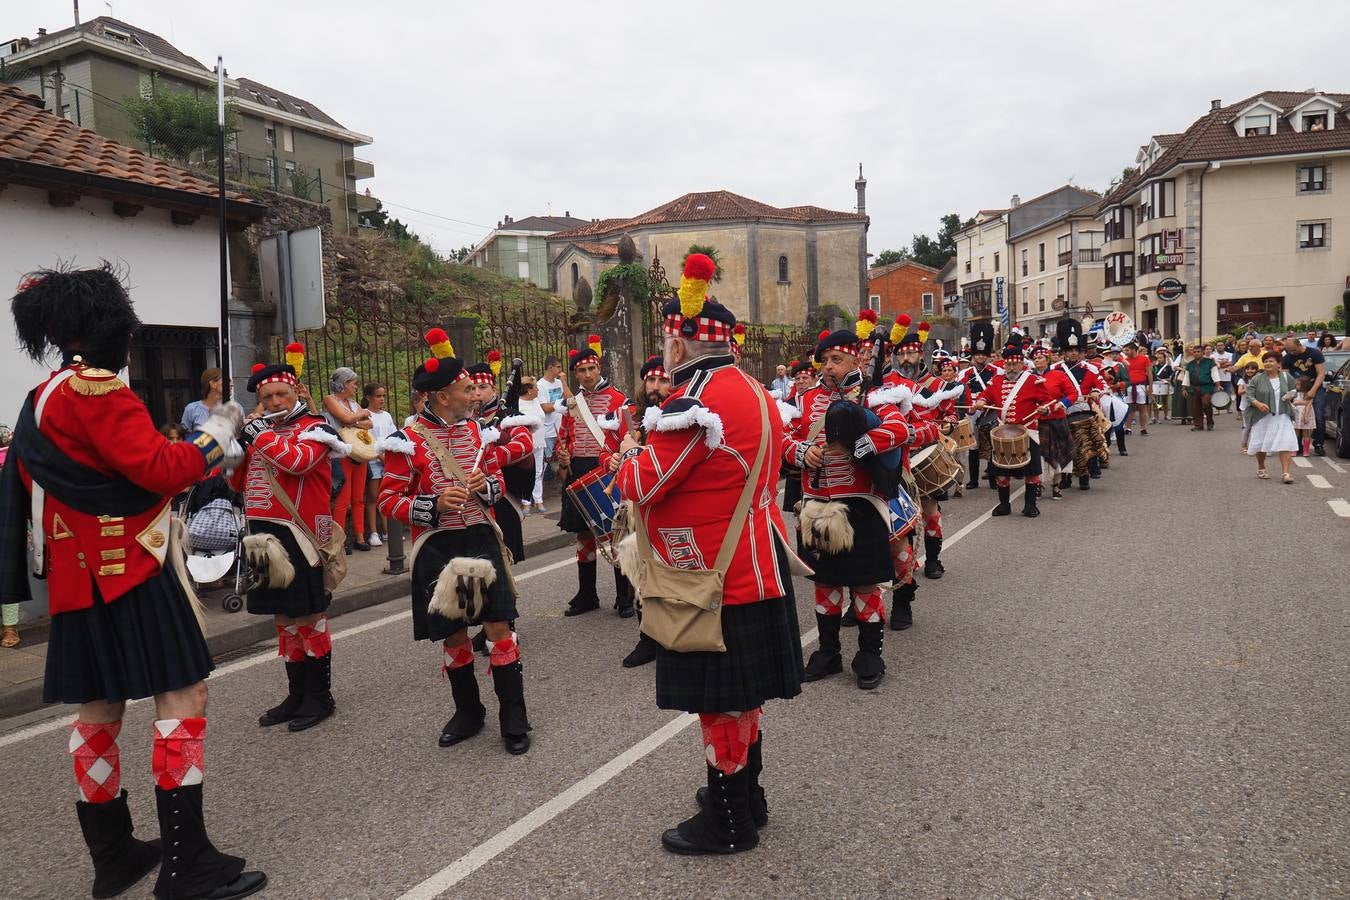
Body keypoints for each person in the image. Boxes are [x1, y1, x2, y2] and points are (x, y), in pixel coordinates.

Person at [0, 266, 264, 899]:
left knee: (100, 708)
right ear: (110, 335)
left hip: (76, 578)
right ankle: (185, 864)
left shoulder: (42, 396)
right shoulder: (98, 390)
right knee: (183, 698)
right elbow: (159, 468)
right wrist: (217, 434)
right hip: (129, 571)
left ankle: (113, 854)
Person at [616, 261, 803, 855]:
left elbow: (645, 483)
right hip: (757, 563)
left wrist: (625, 454)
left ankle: (729, 823)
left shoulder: (695, 399)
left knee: (717, 702)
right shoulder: (754, 390)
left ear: (679, 339)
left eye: (666, 340)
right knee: (742, 697)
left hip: (714, 573)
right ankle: (747, 796)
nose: (664, 351)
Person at [378, 328, 530, 755]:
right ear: (443, 396)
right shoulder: (406, 443)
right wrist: (432, 503)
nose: (475, 395)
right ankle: (468, 712)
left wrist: (485, 488)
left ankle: (513, 717)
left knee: (499, 630)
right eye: (467, 389)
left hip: (481, 537)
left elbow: (498, 488)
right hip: (439, 545)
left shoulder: (480, 434)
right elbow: (388, 499)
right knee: (454, 636)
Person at [786, 327, 912, 687]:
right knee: (825, 585)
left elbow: (899, 429)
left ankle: (870, 654)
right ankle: (828, 653)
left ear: (856, 359)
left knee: (864, 586)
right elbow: (787, 436)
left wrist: (862, 444)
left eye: (836, 360)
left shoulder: (873, 396)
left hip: (860, 506)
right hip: (816, 505)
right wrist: (800, 451)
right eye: (824, 361)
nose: (828, 367)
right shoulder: (808, 401)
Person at [235, 347, 344, 735]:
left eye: (281, 394)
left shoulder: (317, 427)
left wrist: (258, 435)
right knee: (283, 617)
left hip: (301, 534)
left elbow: (297, 462)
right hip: (262, 535)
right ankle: (296, 693)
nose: (274, 402)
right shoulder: (261, 431)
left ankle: (321, 696)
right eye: (267, 398)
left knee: (308, 616)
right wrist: (234, 444)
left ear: (296, 390)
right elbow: (238, 481)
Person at [555, 340, 632, 618]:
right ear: (575, 374)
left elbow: (627, 437)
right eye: (581, 370)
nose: (587, 374)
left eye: (591, 368)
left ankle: (625, 595)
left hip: (607, 470)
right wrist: (562, 456)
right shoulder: (571, 404)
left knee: (615, 533)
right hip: (578, 469)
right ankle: (587, 593)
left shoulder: (618, 399)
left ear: (599, 367)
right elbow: (564, 437)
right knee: (583, 535)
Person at [619, 355, 673, 669]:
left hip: (669, 509)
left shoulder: (681, 415)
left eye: (661, 380)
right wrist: (612, 460)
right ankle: (647, 637)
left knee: (668, 575)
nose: (655, 387)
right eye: (650, 381)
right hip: (637, 507)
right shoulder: (631, 417)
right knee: (641, 572)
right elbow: (609, 451)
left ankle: (671, 634)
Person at [973, 343, 1055, 517]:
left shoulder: (1032, 380)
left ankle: (1030, 505)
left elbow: (1047, 401)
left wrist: (1044, 409)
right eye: (1008, 364)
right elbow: (985, 395)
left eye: (1015, 364)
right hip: (1003, 432)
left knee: (1032, 473)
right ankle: (1004, 505)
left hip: (1027, 431)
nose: (1011, 368)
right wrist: (980, 401)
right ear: (1004, 365)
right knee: (1002, 472)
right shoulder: (995, 381)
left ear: (1021, 364)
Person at [323, 367, 374, 551]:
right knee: (343, 499)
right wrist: (359, 416)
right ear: (344, 383)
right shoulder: (330, 399)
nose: (356, 387)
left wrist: (354, 420)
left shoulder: (353, 403)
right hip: (342, 453)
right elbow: (344, 418)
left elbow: (370, 423)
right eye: (354, 383)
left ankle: (360, 537)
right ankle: (340, 540)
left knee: (358, 497)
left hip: (358, 451)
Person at [1053, 320, 1106, 489]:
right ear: (1064, 352)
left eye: (1076, 350)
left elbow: (1102, 385)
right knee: (1065, 447)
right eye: (1070, 350)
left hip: (1083, 409)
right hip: (1063, 411)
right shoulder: (1054, 369)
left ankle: (1084, 476)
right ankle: (1066, 477)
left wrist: (1097, 391)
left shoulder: (1090, 368)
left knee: (1084, 445)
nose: (1074, 353)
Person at [1244, 352, 1299, 483]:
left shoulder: (1286, 377)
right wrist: (1257, 403)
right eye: (1266, 361)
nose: (1268, 363)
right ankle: (1261, 467)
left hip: (1282, 415)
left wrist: (1291, 395)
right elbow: (1249, 395)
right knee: (1261, 444)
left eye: (1271, 361)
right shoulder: (1257, 378)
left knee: (1285, 442)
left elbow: (1294, 390)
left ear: (1278, 364)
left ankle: (1286, 473)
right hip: (1262, 416)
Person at [960, 323, 1002, 491]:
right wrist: (967, 408)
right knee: (974, 446)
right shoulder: (965, 374)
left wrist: (991, 406)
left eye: (983, 354)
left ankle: (993, 478)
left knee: (992, 445)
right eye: (978, 354)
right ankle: (974, 480)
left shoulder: (996, 371)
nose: (981, 357)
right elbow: (961, 394)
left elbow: (999, 391)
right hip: (972, 411)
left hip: (990, 410)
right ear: (973, 355)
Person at [1031, 345, 1075, 499]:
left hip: (1057, 420)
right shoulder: (1029, 378)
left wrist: (1062, 404)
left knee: (1058, 454)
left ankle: (1056, 486)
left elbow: (1072, 393)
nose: (1037, 360)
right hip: (1037, 422)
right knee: (1039, 456)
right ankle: (1038, 485)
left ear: (1048, 359)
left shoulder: (1058, 375)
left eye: (1040, 358)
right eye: (1035, 358)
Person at [363, 383, 397, 547]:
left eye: (383, 395)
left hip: (387, 460)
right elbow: (367, 439)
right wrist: (381, 456)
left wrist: (389, 456)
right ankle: (373, 533)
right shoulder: (364, 415)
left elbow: (392, 436)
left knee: (385, 495)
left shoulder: (387, 416)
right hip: (373, 460)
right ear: (369, 397)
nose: (382, 399)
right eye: (378, 396)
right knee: (372, 497)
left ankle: (387, 531)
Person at [1282, 339, 1327, 456]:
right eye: (1288, 350)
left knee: (1319, 415)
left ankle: (1318, 443)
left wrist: (1313, 390)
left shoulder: (1314, 353)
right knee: (1296, 417)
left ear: (1299, 345)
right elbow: (1286, 376)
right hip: (1297, 390)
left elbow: (1321, 373)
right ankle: (1298, 446)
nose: (1291, 353)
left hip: (1315, 388)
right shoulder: (1287, 358)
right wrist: (1290, 393)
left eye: (1293, 350)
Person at [516, 375, 549, 514]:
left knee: (538, 472)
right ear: (529, 390)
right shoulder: (518, 403)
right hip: (526, 442)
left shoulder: (536, 401)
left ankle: (539, 500)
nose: (537, 390)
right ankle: (525, 502)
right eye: (535, 388)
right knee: (526, 473)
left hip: (539, 441)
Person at [536, 356, 565, 474]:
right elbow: (545, 407)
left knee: (562, 461)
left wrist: (564, 382)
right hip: (548, 431)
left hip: (561, 429)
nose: (560, 369)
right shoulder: (540, 385)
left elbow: (568, 400)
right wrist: (561, 403)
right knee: (549, 463)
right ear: (550, 367)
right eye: (558, 367)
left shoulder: (559, 382)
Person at [180, 367, 224, 433]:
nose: (232, 384)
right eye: (227, 381)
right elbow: (185, 437)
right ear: (212, 384)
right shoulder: (192, 409)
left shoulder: (234, 408)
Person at [1121, 343, 1153, 436]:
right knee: (1130, 408)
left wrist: (1150, 387)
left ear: (1133, 350)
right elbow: (1125, 374)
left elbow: (1149, 373)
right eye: (1125, 350)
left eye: (1127, 350)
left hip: (1141, 386)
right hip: (1130, 386)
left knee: (1142, 408)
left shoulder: (1144, 358)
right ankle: (1128, 428)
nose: (1125, 352)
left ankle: (1143, 428)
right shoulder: (1125, 361)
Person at [1185, 344, 1217, 431]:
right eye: (1194, 352)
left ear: (1202, 352)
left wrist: (1218, 384)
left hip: (1206, 386)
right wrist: (1184, 388)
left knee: (1206, 404)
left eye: (1198, 352)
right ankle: (1198, 425)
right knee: (1196, 407)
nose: (1196, 353)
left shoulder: (1210, 362)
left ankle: (1210, 422)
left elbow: (1214, 374)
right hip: (1194, 387)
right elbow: (1187, 377)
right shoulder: (1190, 364)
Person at [1235, 360, 1259, 452]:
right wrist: (1248, 388)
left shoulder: (1259, 379)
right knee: (1247, 427)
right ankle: (1244, 446)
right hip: (1246, 406)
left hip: (1258, 405)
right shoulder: (1242, 380)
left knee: (1258, 426)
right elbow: (1240, 392)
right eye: (1248, 369)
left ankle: (1256, 445)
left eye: (1252, 369)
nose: (1250, 371)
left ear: (1256, 370)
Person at [1293, 376, 1317, 456]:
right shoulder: (1295, 393)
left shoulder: (1309, 393)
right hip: (1296, 413)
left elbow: (1308, 404)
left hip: (1305, 413)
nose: (1297, 386)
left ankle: (1306, 451)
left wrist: (1305, 416)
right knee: (1296, 432)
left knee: (1306, 433)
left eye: (1299, 385)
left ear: (1304, 385)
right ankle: (1295, 450)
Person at [1151, 347, 1174, 423]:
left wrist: (1166, 380)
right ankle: (1155, 416)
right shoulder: (1154, 367)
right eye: (1158, 358)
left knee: (1165, 401)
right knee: (1156, 402)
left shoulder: (1168, 367)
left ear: (1164, 358)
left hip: (1164, 384)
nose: (1159, 359)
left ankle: (1166, 415)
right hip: (1156, 385)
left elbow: (1171, 377)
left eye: (1161, 358)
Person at [1212, 340, 1234, 413]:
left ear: (1224, 346)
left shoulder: (1229, 354)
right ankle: (1215, 408)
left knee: (1228, 393)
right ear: (1216, 347)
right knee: (1215, 393)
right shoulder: (1213, 355)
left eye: (1221, 345)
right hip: (1216, 378)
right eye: (1218, 345)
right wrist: (1224, 362)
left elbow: (1231, 363)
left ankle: (1228, 407)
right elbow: (1213, 365)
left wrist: (1218, 364)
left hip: (1227, 377)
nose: (1220, 346)